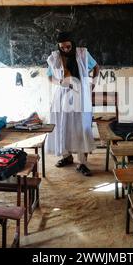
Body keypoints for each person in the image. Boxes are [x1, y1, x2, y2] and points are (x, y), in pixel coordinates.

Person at [46, 32, 100, 176]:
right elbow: (49, 77)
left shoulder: (82, 54)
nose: (65, 50)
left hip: (81, 95)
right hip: (62, 96)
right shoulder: (54, 58)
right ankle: (67, 156)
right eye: (62, 47)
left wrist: (92, 85)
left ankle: (82, 163)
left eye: (68, 46)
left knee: (82, 126)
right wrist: (59, 82)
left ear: (73, 43)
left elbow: (96, 67)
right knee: (62, 125)